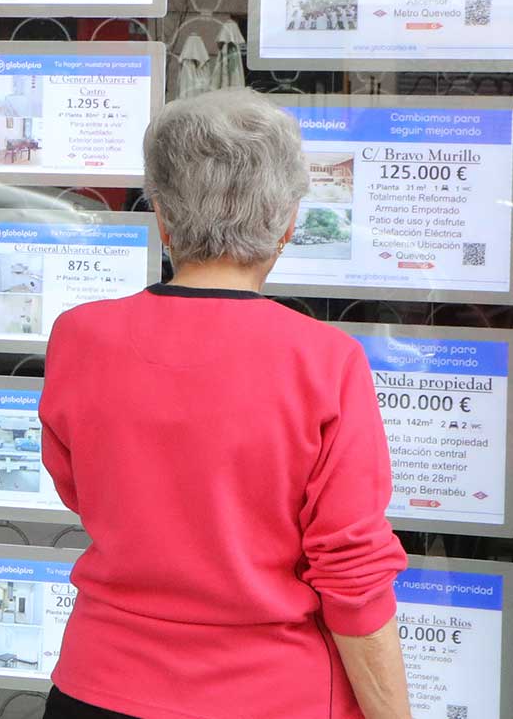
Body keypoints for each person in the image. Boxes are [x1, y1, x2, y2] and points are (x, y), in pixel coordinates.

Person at [39, 89, 410, 719]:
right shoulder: (325, 361)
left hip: (97, 685)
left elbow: (80, 489)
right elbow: (353, 576)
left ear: (163, 217)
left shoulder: (79, 337)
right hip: (271, 695)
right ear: (288, 224)